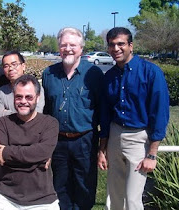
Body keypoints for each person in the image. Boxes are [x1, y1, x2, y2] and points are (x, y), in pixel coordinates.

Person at [98, 27, 169, 210]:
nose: (116, 49)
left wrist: (152, 154)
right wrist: (102, 148)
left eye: (121, 44)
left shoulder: (151, 73)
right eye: (112, 45)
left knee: (132, 200)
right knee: (114, 197)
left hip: (138, 139)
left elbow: (159, 114)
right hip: (114, 136)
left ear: (131, 45)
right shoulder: (109, 77)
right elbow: (105, 115)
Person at [42, 27, 104, 210]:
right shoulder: (49, 74)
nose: (68, 48)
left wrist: (103, 145)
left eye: (72, 45)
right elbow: (46, 110)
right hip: (58, 141)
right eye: (63, 45)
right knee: (60, 185)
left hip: (85, 140)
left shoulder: (94, 74)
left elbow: (102, 109)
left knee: (84, 185)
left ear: (81, 49)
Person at [0, 74, 60, 210]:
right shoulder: (3, 123)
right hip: (5, 195)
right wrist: (36, 158)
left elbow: (43, 152)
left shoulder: (50, 123)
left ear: (38, 98)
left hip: (41, 198)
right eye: (18, 97)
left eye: (28, 97)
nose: (23, 101)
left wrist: (7, 152)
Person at [0, 50, 45, 122]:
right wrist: (23, 113)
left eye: (14, 64)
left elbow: (35, 116)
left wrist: (5, 112)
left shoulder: (35, 87)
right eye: (6, 66)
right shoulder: (1, 92)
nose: (10, 68)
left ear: (23, 66)